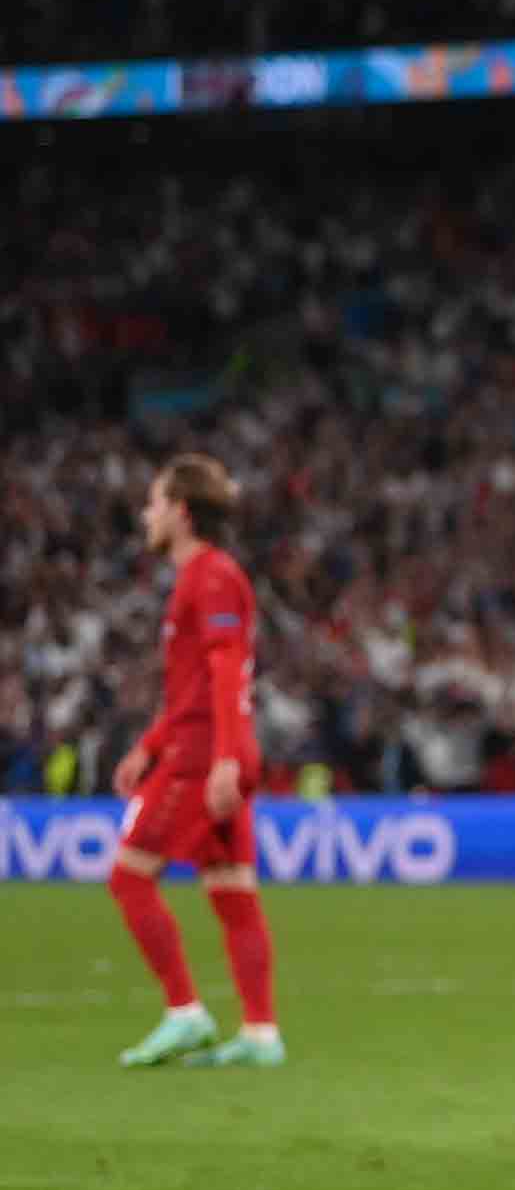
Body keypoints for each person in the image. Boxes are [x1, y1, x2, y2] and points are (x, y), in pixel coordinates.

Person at [108, 454, 284, 1069]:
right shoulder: (205, 577)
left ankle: (185, 1012)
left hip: (204, 757)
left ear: (182, 513)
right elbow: (192, 689)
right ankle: (261, 1034)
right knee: (233, 891)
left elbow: (226, 670)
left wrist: (224, 760)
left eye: (155, 503)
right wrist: (147, 745)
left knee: (129, 878)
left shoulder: (208, 578)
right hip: (205, 749)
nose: (146, 513)